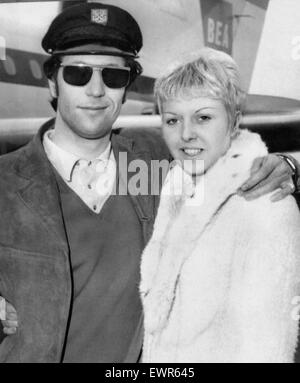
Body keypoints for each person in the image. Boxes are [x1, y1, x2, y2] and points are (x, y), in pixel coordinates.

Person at [0, 3, 298, 363]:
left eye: (113, 76)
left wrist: (289, 163)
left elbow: (226, 153)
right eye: (78, 74)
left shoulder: (155, 161)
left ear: (126, 88)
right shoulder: (6, 184)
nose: (96, 90)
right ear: (52, 80)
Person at [140, 48, 300, 363]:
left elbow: (268, 348)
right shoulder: (175, 191)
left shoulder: (264, 203)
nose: (186, 134)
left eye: (203, 117)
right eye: (173, 120)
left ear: (234, 122)